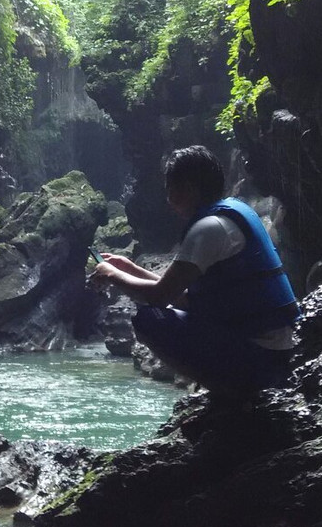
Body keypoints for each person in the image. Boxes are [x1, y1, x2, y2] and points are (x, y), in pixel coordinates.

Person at [89, 145, 300, 400]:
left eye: (170, 189)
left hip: (260, 359)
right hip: (278, 352)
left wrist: (110, 274)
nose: (168, 199)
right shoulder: (234, 212)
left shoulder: (208, 229)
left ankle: (229, 393)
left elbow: (159, 297)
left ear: (188, 189)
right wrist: (129, 268)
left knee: (150, 320)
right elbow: (183, 298)